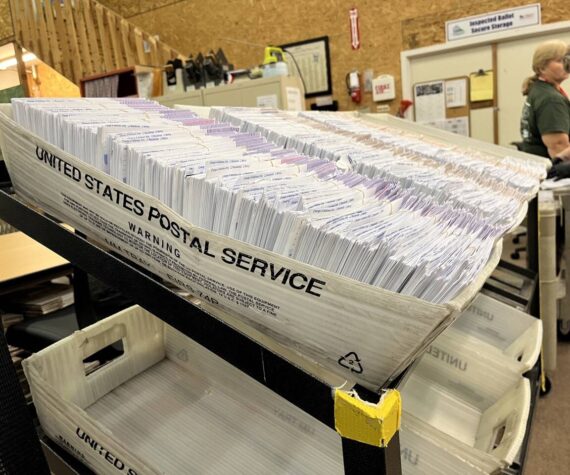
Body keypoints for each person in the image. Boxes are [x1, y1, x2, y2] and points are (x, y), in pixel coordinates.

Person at [521, 40, 570, 162]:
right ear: (542, 67)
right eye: (560, 61)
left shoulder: (539, 90)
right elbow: (559, 148)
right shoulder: (551, 99)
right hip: (554, 172)